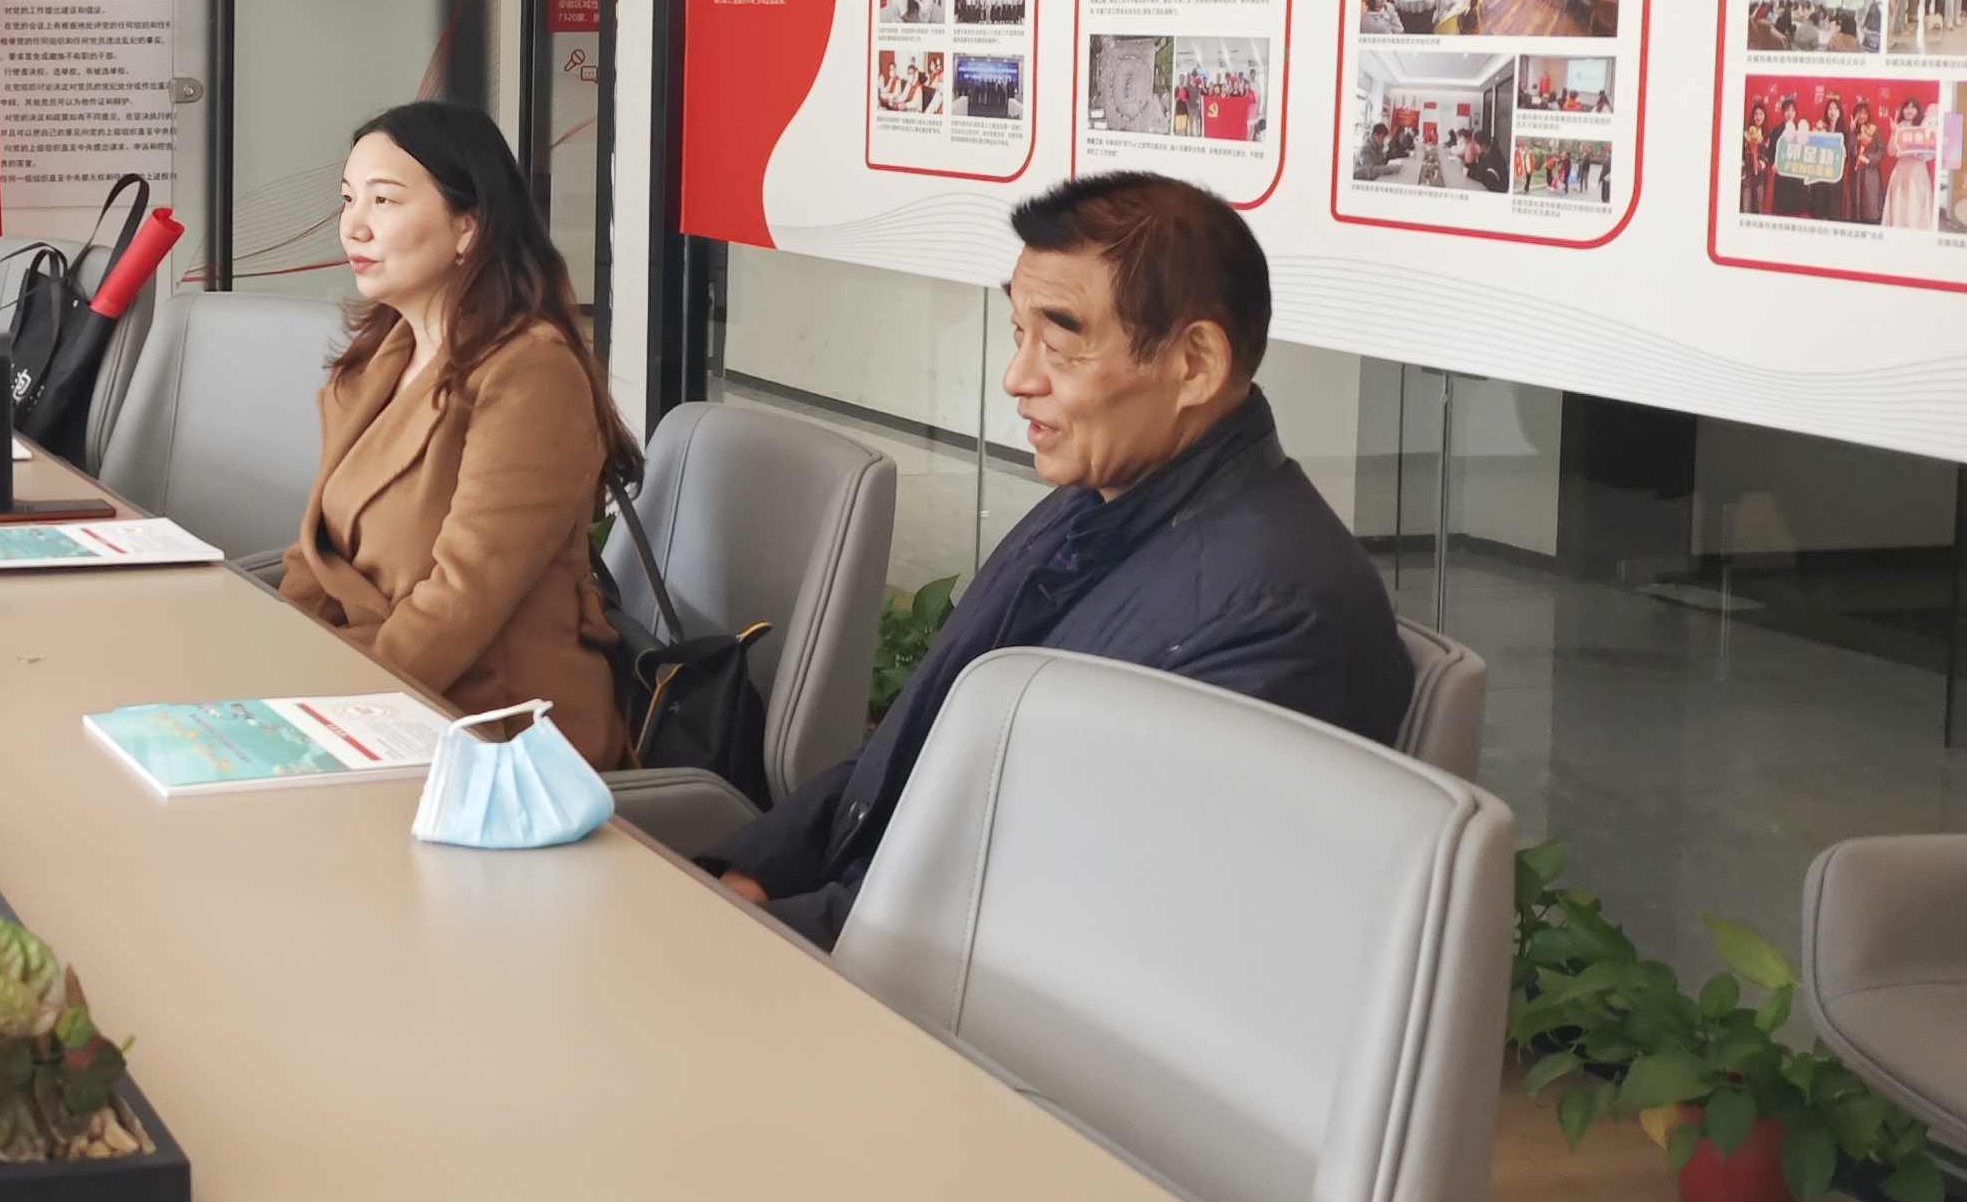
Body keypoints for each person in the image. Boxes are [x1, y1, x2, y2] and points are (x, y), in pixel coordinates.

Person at [712, 171, 1406, 943]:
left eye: (1061, 342)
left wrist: (765, 937)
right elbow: (901, 749)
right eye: (1018, 334)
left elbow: (1061, 916)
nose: (1017, 378)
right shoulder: (1093, 502)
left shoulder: (1282, 617)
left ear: (1195, 365)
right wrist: (753, 874)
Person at [278, 103, 640, 769]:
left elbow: (462, 599)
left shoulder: (531, 370)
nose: (353, 225)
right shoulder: (378, 358)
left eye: (384, 200)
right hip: (383, 694)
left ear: (468, 225)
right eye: (349, 199)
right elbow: (315, 557)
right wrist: (268, 668)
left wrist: (330, 715)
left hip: (491, 730)